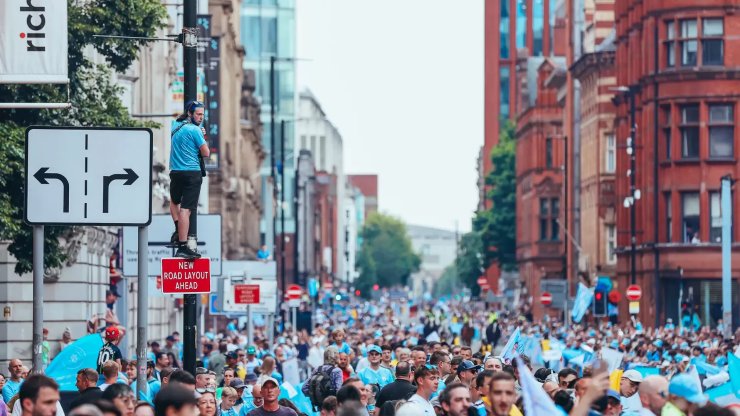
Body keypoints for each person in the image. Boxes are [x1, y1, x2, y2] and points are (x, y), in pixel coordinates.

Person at [169, 99, 209, 259]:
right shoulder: (195, 131)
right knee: (186, 209)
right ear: (190, 114)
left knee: (174, 202)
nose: (201, 117)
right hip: (192, 173)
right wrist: (202, 137)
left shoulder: (175, 126)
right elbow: (206, 153)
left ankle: (178, 229)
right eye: (198, 114)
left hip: (175, 172)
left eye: (202, 115)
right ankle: (183, 246)